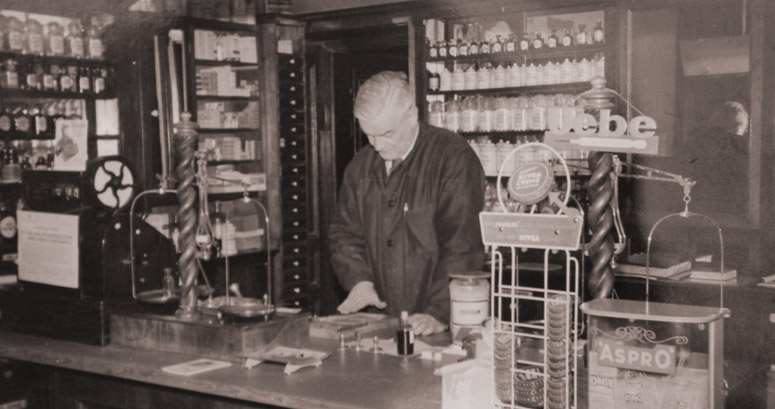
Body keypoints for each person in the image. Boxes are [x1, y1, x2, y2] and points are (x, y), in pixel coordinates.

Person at [328, 71, 485, 336]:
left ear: (412, 115)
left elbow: (461, 245)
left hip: (437, 325)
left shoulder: (452, 157)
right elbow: (344, 234)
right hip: (379, 323)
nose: (377, 145)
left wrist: (439, 312)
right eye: (370, 135)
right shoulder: (360, 166)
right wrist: (359, 281)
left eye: (387, 134)